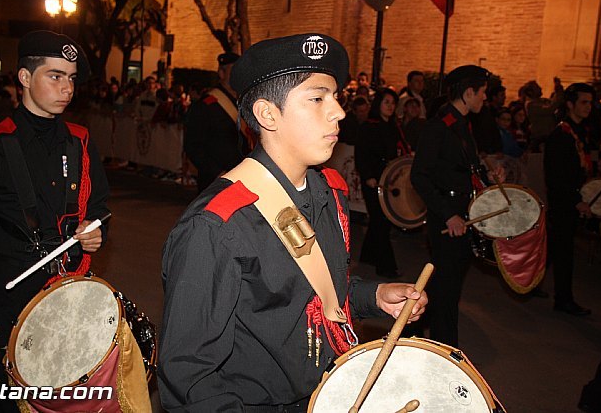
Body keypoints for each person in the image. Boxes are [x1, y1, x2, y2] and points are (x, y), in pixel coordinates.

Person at [159, 33, 428, 412]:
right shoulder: (217, 225)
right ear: (268, 114)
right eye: (317, 99)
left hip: (328, 393)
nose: (338, 111)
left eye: (335, 97)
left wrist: (372, 297)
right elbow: (189, 375)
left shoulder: (327, 192)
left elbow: (310, 295)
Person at [0, 30, 110, 413]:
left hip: (68, 291)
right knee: (13, 400)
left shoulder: (80, 140)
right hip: (10, 294)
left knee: (67, 398)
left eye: (72, 78)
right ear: (25, 78)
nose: (67, 88)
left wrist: (96, 232)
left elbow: (99, 209)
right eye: (55, 76)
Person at [411, 65, 502, 347]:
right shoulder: (438, 127)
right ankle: (445, 347)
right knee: (447, 287)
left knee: (445, 284)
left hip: (463, 211)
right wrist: (448, 214)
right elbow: (419, 176)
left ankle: (414, 329)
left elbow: (462, 168)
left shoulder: (462, 125)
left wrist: (489, 176)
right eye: (483, 93)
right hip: (447, 215)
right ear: (469, 92)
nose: (485, 99)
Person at [544, 82, 595, 316]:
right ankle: (563, 299)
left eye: (590, 102)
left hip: (571, 199)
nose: (589, 107)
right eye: (584, 102)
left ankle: (531, 285)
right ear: (570, 104)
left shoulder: (577, 132)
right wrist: (576, 200)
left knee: (555, 249)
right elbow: (556, 176)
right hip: (563, 202)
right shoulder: (561, 135)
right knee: (564, 252)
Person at [355, 88, 407, 279]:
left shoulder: (393, 126)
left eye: (393, 103)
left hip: (388, 180)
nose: (390, 106)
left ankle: (368, 257)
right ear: (379, 104)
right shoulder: (369, 126)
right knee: (381, 221)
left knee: (379, 221)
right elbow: (361, 153)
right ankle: (386, 267)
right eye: (386, 102)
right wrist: (368, 175)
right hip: (373, 180)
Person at [184, 52, 251, 192]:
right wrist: (217, 173)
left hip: (246, 177)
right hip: (217, 181)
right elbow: (193, 145)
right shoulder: (207, 105)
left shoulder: (246, 102)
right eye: (233, 71)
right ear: (221, 73)